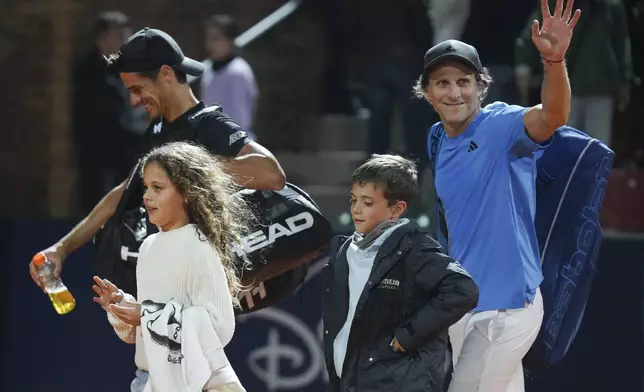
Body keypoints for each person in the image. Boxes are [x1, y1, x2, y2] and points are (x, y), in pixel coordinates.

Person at [29, 27, 285, 290]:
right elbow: (122, 193)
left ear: (166, 74)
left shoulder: (208, 124)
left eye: (138, 89)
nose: (133, 102)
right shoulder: (157, 130)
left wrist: (188, 167)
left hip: (199, 287)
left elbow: (271, 174)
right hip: (164, 280)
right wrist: (61, 249)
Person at [413, 0, 581, 391]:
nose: (454, 92)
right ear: (428, 93)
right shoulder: (436, 138)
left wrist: (554, 64)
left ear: (480, 87)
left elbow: (552, 116)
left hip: (506, 309)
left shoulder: (502, 124)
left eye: (464, 82)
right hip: (462, 307)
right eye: (442, 83)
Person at [92, 142, 248, 391]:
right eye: (146, 187)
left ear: (187, 192)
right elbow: (144, 336)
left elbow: (219, 329)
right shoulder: (148, 247)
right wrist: (122, 307)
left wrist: (145, 314)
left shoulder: (199, 249)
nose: (146, 196)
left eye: (158, 188)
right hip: (145, 381)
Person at [322, 154, 479, 391]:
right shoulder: (344, 250)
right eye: (353, 200)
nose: (356, 209)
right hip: (350, 382)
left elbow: (463, 290)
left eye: (368, 202)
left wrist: (410, 335)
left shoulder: (415, 248)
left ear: (397, 209)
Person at [194, 14, 258, 139]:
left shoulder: (238, 72)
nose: (210, 45)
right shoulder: (208, 70)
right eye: (209, 39)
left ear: (230, 41)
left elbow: (241, 120)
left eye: (216, 39)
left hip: (236, 145)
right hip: (212, 143)